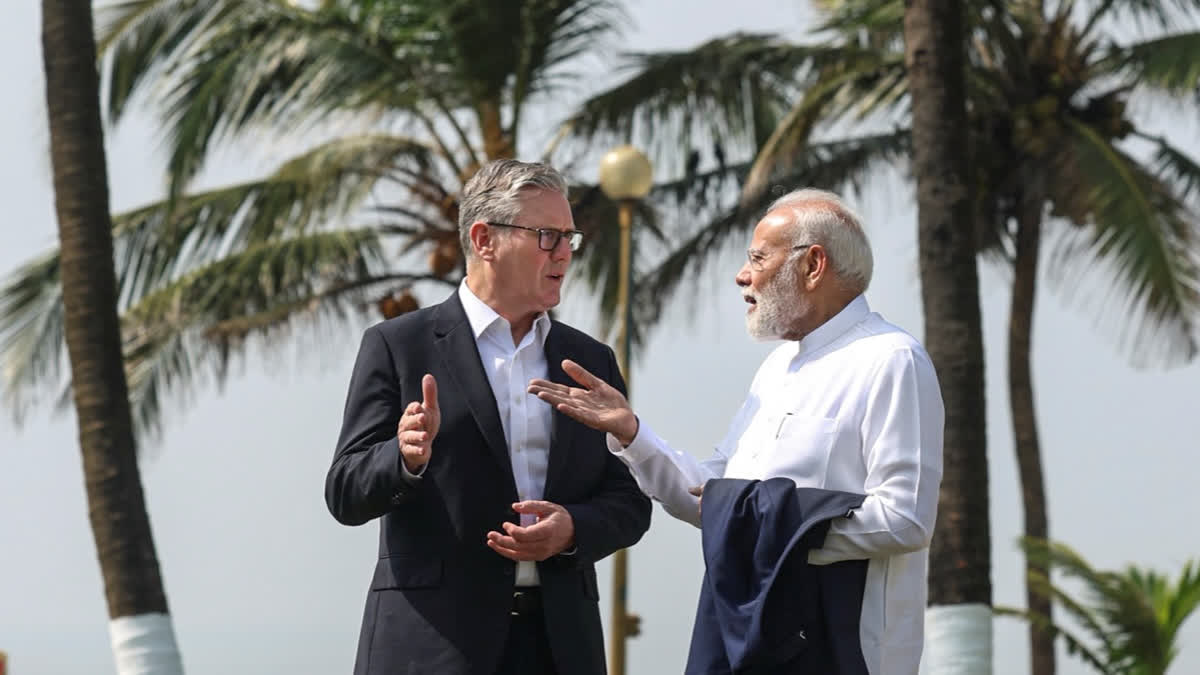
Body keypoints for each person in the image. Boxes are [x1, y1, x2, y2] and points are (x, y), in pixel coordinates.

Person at [528, 188, 944, 675]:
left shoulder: (891, 359)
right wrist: (632, 433)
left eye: (758, 258)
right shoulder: (777, 369)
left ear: (813, 265)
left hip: (846, 650)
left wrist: (768, 532)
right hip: (752, 645)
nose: (742, 276)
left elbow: (906, 518)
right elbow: (715, 501)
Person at [326, 159, 652, 675]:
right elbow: (344, 491)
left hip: (560, 647)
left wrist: (572, 530)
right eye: (547, 236)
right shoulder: (398, 346)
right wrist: (404, 458)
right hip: (432, 648)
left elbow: (630, 500)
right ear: (484, 240)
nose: (564, 252)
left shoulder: (590, 361)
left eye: (570, 237)